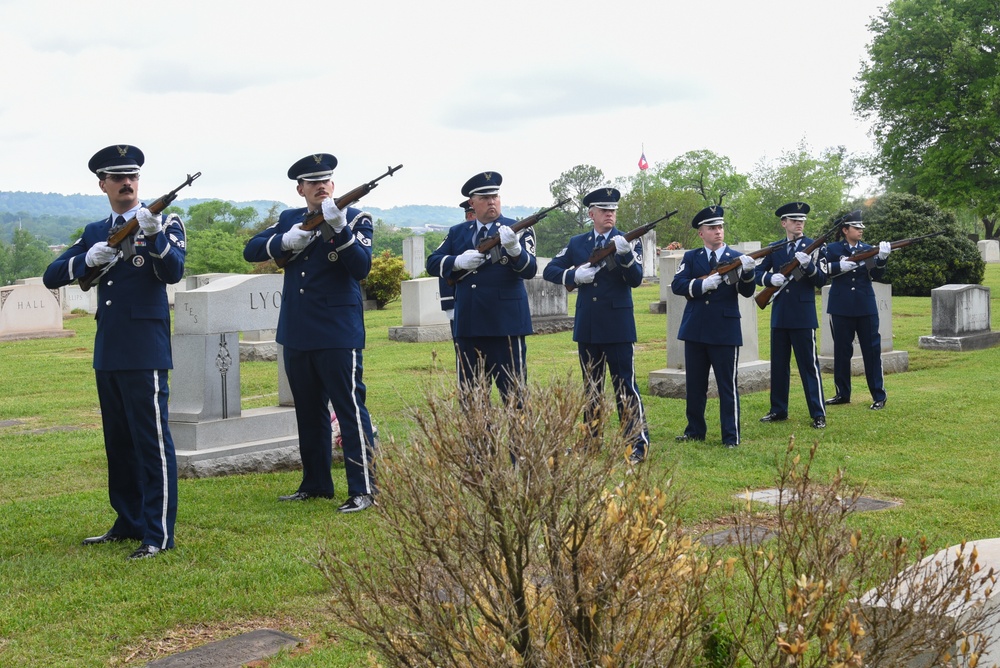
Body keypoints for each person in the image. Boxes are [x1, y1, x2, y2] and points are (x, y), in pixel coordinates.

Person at [43, 144, 185, 560]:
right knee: (119, 443)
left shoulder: (164, 221)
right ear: (103, 184)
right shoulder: (94, 230)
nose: (127, 183)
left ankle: (157, 532)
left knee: (152, 443)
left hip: (145, 349)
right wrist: (86, 258)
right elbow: (55, 275)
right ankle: (128, 521)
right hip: (109, 349)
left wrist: (154, 232)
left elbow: (172, 271)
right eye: (118, 178)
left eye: (133, 177)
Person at [243, 153, 377, 512]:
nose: (321, 186)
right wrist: (285, 242)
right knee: (308, 410)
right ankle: (316, 483)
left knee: (349, 409)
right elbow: (251, 249)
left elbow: (361, 267)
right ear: (300, 188)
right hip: (298, 329)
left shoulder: (358, 219)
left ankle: (364, 488)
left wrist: (340, 229)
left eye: (327, 181)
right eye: (313, 182)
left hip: (337, 331)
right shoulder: (290, 219)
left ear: (334, 185)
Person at [543, 187, 649, 464]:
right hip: (588, 324)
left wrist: (626, 256)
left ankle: (637, 443)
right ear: (592, 214)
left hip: (618, 324)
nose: (609, 214)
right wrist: (575, 275)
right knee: (592, 387)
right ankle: (590, 442)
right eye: (604, 210)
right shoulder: (578, 243)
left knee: (625, 386)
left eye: (613, 210)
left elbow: (636, 279)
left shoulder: (627, 241)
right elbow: (550, 270)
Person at [426, 171, 537, 403]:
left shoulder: (516, 229)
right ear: (472, 203)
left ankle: (518, 442)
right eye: (485, 198)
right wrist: (457, 261)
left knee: (514, 397)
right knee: (472, 399)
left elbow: (530, 270)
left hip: (506, 324)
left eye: (495, 197)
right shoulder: (458, 232)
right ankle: (478, 442)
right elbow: (432, 262)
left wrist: (515, 250)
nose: (491, 202)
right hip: (469, 324)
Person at [670, 205, 756, 448]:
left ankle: (731, 436)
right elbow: (678, 285)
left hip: (724, 330)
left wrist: (748, 273)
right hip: (695, 328)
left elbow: (747, 292)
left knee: (727, 386)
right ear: (701, 233)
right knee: (695, 386)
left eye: (720, 227)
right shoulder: (691, 257)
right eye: (712, 228)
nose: (718, 231)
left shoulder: (735, 258)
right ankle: (694, 430)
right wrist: (703, 285)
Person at [755, 202, 828, 429]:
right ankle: (778, 410)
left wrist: (809, 267)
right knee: (779, 365)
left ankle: (818, 412)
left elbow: (822, 279)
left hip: (803, 315)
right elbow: (756, 272)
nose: (799, 223)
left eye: (802, 220)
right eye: (794, 220)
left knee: (808, 366)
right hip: (780, 315)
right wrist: (769, 280)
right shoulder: (776, 248)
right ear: (783, 223)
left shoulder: (814, 247)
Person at [822, 210, 891, 410]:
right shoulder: (832, 249)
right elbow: (822, 270)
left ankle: (878, 395)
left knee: (871, 351)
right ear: (845, 230)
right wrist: (839, 266)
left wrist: (883, 259)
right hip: (841, 306)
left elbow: (876, 274)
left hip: (864, 305)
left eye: (861, 228)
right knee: (842, 352)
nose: (860, 231)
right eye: (856, 228)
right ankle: (842, 393)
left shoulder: (868, 249)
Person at [438, 200, 477, 341]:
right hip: (460, 303)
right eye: (470, 214)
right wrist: (449, 305)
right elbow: (443, 267)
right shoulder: (456, 234)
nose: (471, 218)